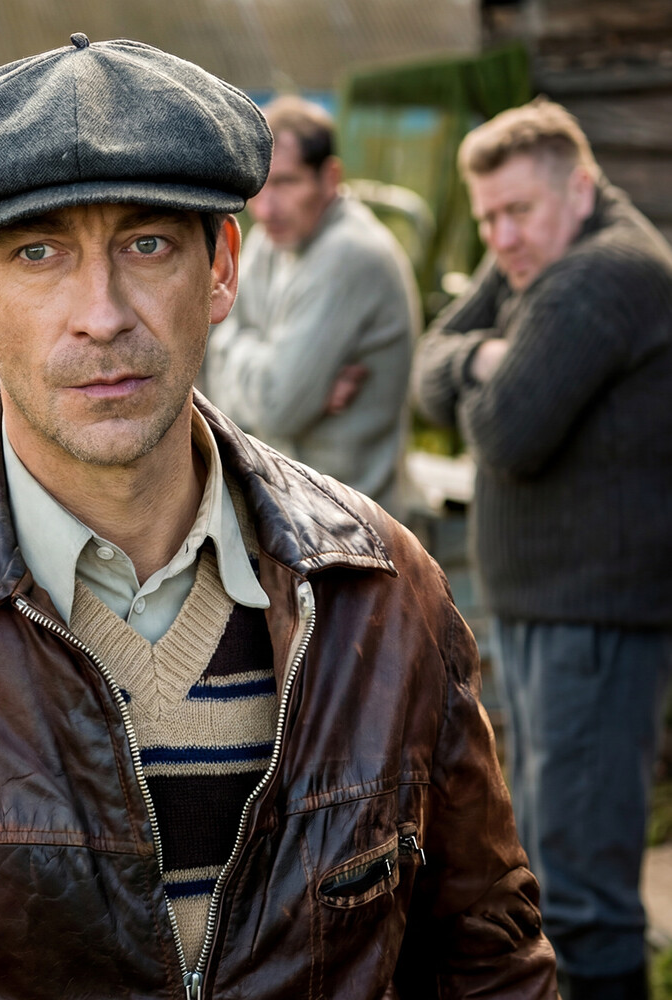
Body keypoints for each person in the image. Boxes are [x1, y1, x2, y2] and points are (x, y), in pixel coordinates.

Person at [0, 35, 554, 997]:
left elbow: (491, 968)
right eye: (39, 253)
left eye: (147, 244)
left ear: (221, 269)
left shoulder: (384, 596)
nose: (102, 313)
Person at [412, 98, 672, 1000]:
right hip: (544, 608)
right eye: (487, 218)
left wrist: (480, 367)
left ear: (581, 188)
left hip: (593, 616)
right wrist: (484, 359)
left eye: (517, 211)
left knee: (582, 893)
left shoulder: (600, 275)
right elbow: (429, 368)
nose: (501, 237)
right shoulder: (534, 253)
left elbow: (508, 433)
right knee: (550, 863)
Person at [203, 96, 418, 512]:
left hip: (350, 521)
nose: (265, 208)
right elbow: (210, 374)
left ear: (330, 177)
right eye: (260, 186)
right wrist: (286, 380)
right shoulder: (270, 242)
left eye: (286, 183)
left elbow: (276, 408)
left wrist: (234, 347)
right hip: (292, 506)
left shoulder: (348, 254)